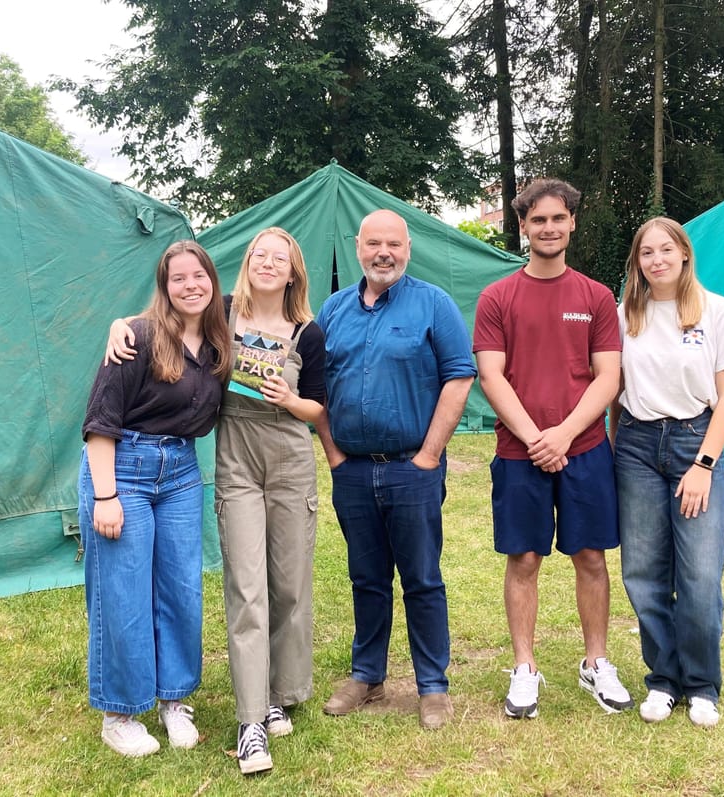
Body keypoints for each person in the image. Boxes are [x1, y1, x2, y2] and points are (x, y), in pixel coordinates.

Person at [106, 228, 326, 775]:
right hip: (238, 465)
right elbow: (168, 316)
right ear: (247, 263)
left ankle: (280, 693)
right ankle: (251, 722)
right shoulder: (222, 316)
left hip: (292, 460)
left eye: (281, 258)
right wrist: (120, 325)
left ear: (294, 271)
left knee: (290, 586)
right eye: (260, 255)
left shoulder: (309, 332)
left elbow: (321, 409)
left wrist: (292, 399)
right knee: (246, 588)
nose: (269, 263)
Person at [473, 178, 634, 719]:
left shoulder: (594, 297)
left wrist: (564, 434)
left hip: (585, 448)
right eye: (537, 220)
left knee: (591, 556)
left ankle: (596, 663)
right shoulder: (497, 297)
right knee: (524, 558)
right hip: (520, 453)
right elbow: (491, 377)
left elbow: (607, 376)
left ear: (572, 224)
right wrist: (536, 438)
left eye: (557, 219)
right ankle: (524, 669)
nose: (548, 228)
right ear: (523, 226)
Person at [315, 209, 475, 730]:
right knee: (366, 577)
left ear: (408, 248)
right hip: (354, 471)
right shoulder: (333, 310)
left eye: (394, 244)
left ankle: (432, 686)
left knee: (422, 579)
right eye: (374, 243)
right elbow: (316, 386)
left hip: (413, 468)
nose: (384, 253)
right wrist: (334, 455)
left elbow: (459, 377)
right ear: (357, 246)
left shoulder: (434, 304)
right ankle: (368, 676)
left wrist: (429, 455)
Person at [79, 240, 231, 757]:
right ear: (164, 288)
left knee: (181, 588)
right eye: (178, 278)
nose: (191, 286)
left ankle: (174, 700)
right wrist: (105, 496)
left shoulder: (219, 340)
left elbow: (269, 304)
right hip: (123, 469)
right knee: (123, 593)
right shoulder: (138, 337)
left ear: (213, 280)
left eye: (199, 276)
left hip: (182, 473)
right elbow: (100, 420)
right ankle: (119, 712)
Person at [610, 216, 724, 728]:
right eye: (647, 252)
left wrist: (704, 465)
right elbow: (614, 390)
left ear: (685, 254)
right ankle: (663, 680)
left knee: (700, 572)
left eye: (666, 250)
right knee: (643, 572)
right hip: (637, 447)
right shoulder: (626, 314)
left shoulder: (718, 312)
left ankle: (702, 683)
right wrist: (613, 446)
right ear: (637, 261)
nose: (657, 260)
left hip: (696, 440)